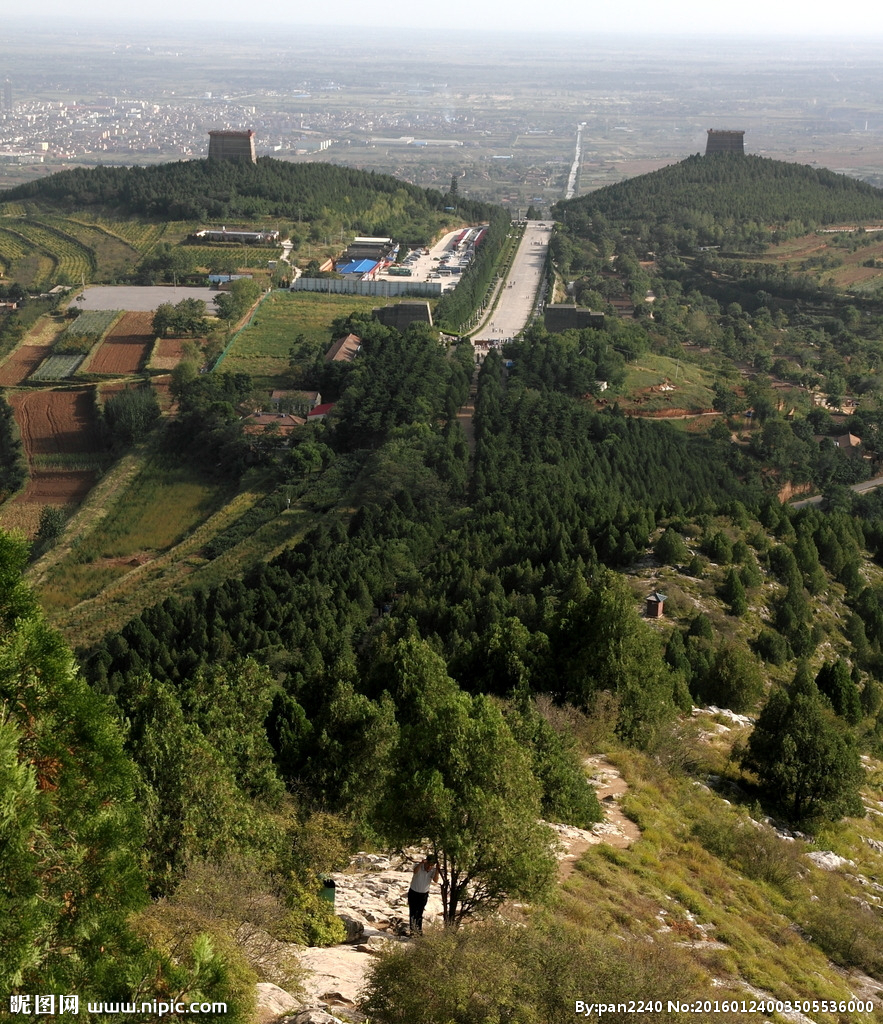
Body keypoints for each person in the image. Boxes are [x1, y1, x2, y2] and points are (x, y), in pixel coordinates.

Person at [407, 853, 439, 936]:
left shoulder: (433, 870)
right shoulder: (419, 866)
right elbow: (415, 871)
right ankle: (413, 931)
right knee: (413, 913)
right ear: (426, 862)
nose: (429, 867)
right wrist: (421, 863)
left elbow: (435, 880)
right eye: (428, 864)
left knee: (420, 913)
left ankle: (419, 931)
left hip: (423, 894)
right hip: (414, 893)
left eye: (432, 865)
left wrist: (437, 871)